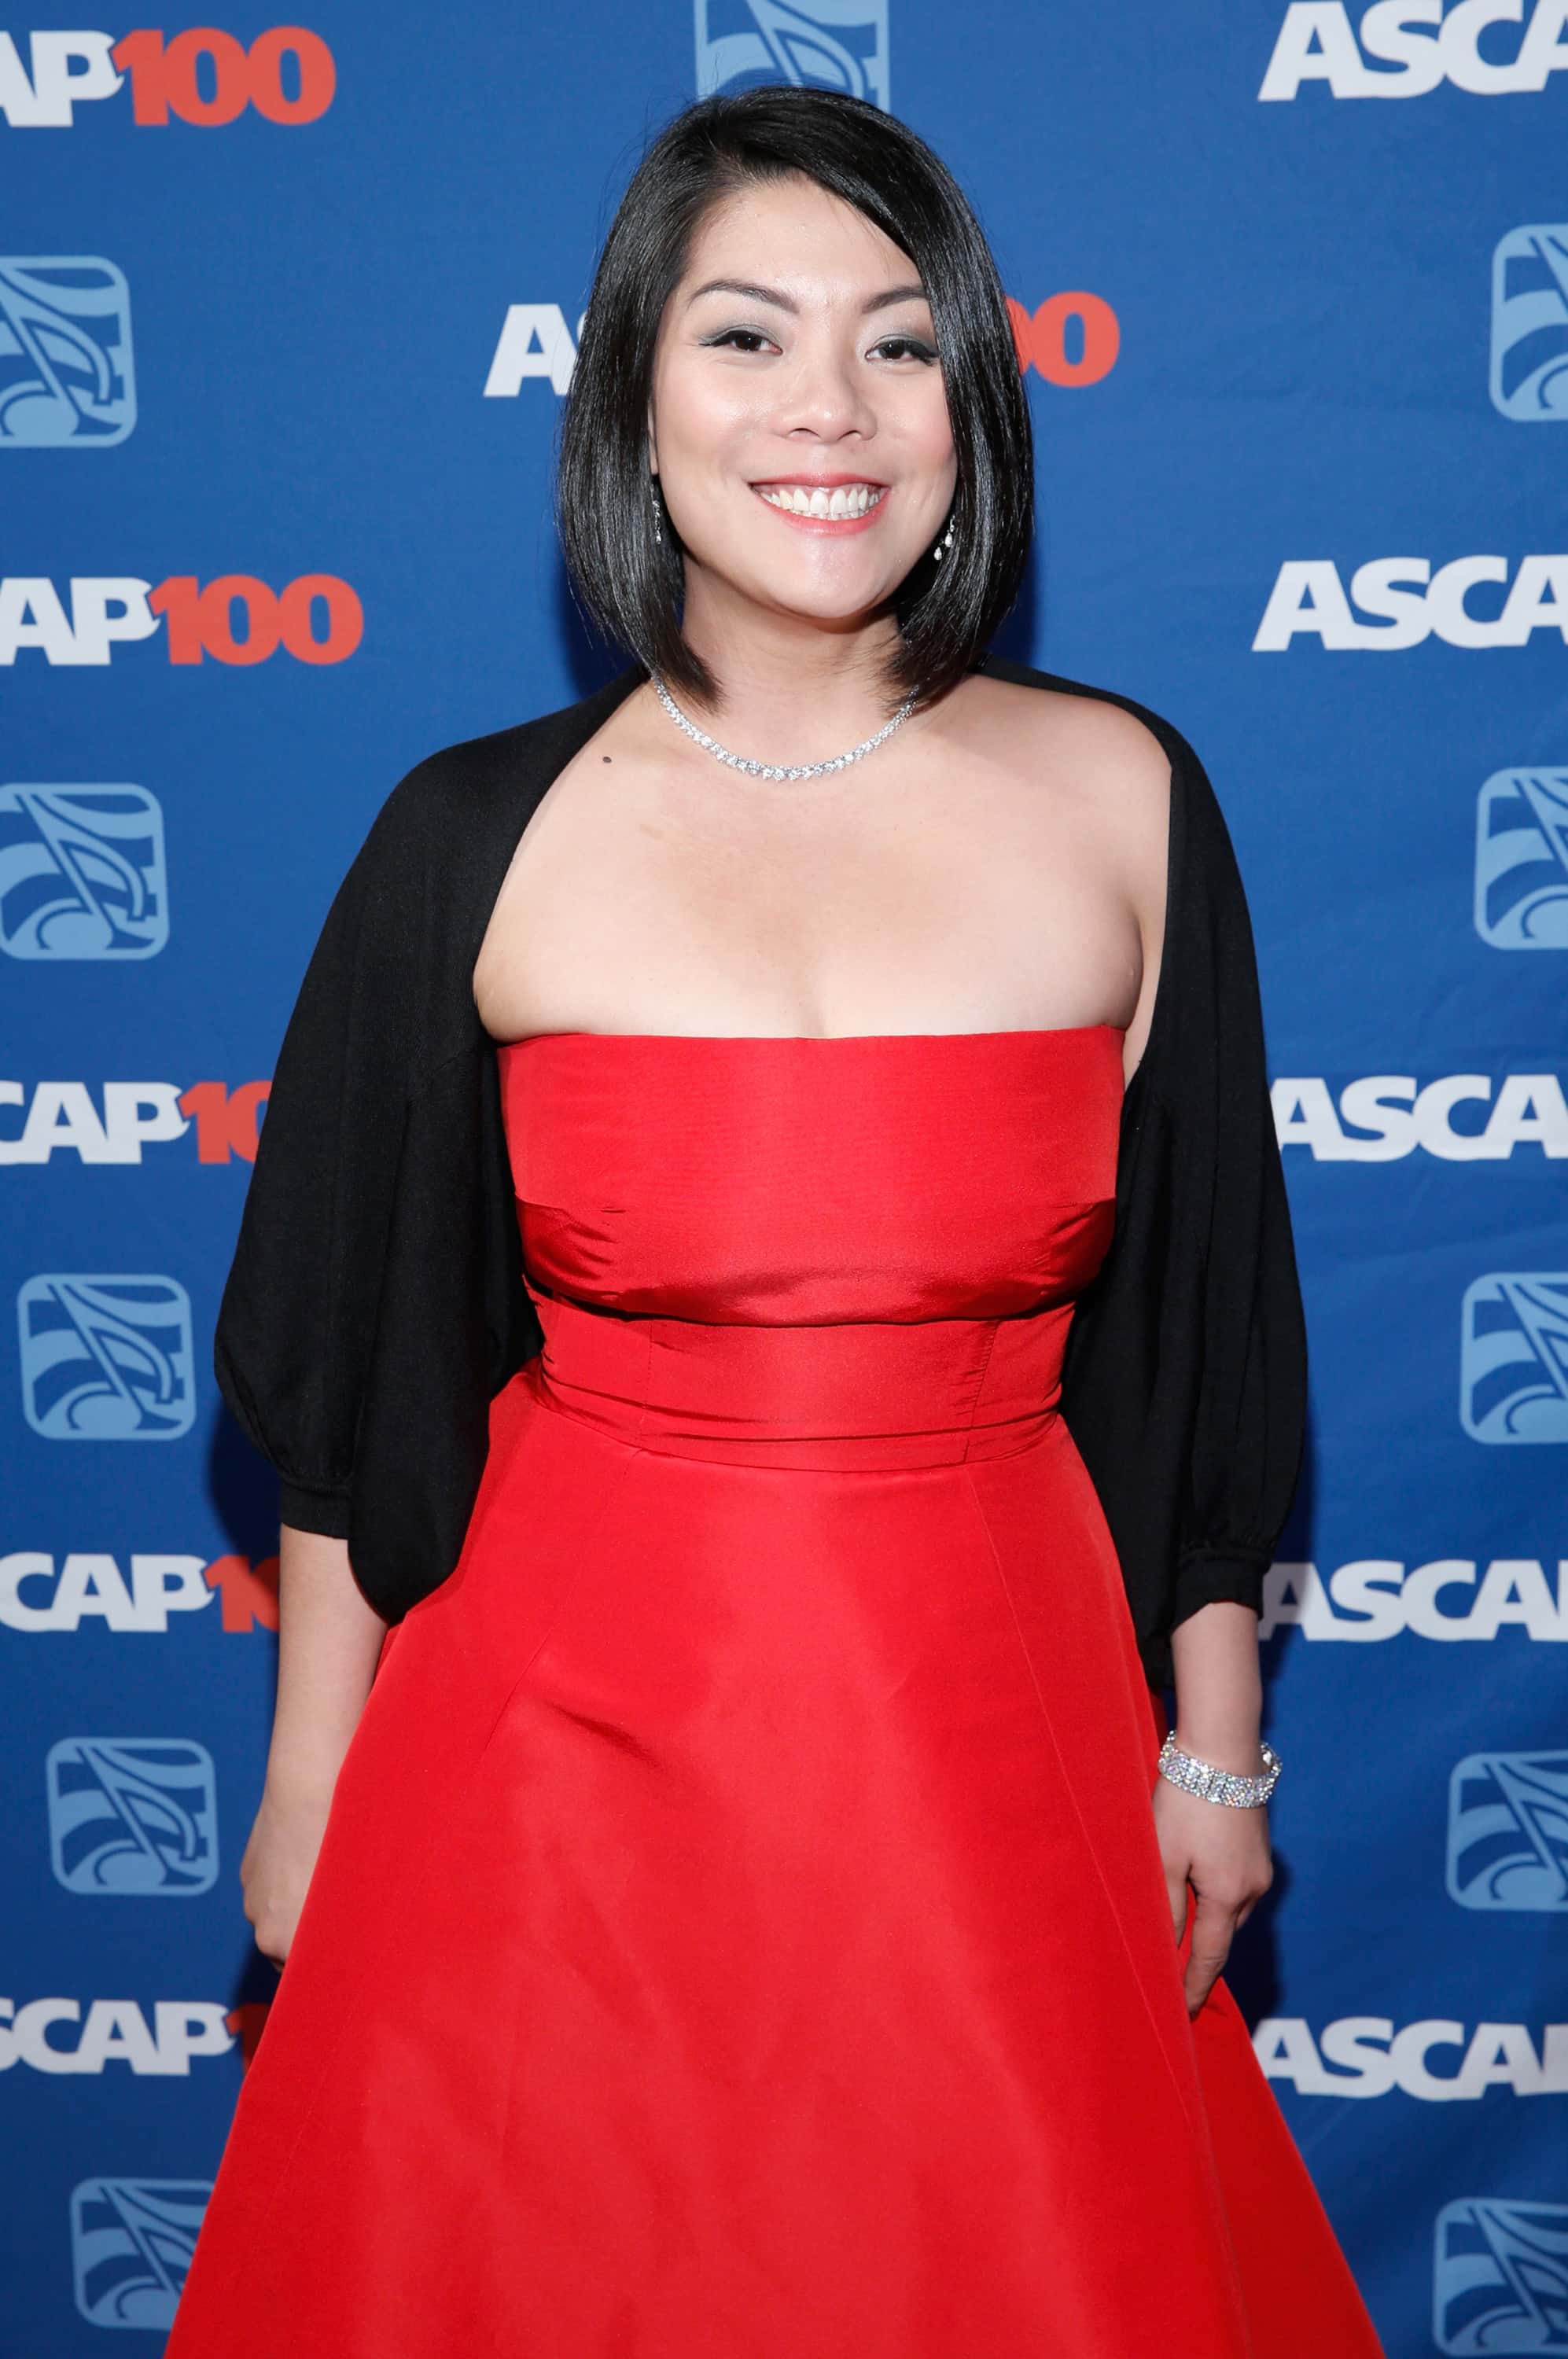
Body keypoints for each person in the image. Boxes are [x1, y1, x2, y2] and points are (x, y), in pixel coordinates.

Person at [166, 83, 1386, 2359]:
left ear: (970, 408)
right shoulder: (474, 840)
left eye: (899, 344)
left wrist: (1210, 1746)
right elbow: (348, 1369)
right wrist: (311, 1791)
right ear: (635, 390)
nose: (825, 410)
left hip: (989, 1731)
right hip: (543, 1754)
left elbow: (1201, 1328)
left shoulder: (1120, 794)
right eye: (745, 338)